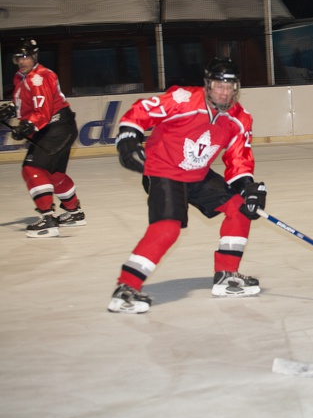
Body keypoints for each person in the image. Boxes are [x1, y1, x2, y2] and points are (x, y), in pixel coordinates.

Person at [108, 57, 268, 314]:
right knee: (168, 228)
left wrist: (246, 186)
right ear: (207, 85)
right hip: (163, 170)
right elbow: (143, 110)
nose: (224, 92)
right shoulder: (184, 99)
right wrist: (128, 137)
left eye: (229, 87)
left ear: (236, 88)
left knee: (239, 207)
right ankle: (126, 288)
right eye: (218, 86)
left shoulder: (240, 118)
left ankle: (227, 276)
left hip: (198, 174)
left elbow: (238, 157)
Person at [1, 38, 86, 238]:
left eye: (26, 57)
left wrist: (27, 126)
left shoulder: (38, 77)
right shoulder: (22, 77)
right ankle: (75, 212)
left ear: (35, 56)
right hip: (55, 127)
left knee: (32, 168)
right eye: (19, 57)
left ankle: (48, 219)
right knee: (54, 174)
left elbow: (43, 111)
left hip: (55, 127)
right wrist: (11, 110)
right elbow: (27, 105)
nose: (22, 61)